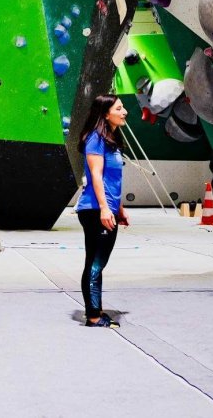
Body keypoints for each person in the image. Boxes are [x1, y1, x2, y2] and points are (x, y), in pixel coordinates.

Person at [74, 94, 130, 328]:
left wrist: (119, 209)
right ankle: (94, 316)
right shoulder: (96, 139)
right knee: (96, 263)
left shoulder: (110, 140)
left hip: (106, 208)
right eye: (119, 108)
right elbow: (95, 176)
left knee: (97, 262)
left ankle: (95, 311)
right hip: (96, 209)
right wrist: (106, 209)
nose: (124, 111)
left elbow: (110, 180)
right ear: (106, 114)